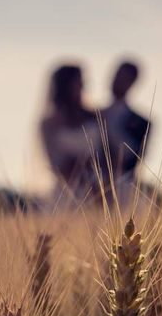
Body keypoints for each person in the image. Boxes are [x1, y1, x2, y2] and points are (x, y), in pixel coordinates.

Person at [39, 64, 101, 207]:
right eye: (78, 81)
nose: (83, 85)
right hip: (65, 194)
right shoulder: (49, 123)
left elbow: (105, 155)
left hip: (99, 190)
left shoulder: (95, 117)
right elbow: (53, 163)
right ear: (65, 86)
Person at [101, 61, 151, 205]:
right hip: (91, 189)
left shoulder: (143, 122)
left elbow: (137, 158)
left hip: (124, 190)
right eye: (116, 75)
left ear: (132, 83)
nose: (116, 81)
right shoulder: (93, 115)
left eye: (123, 78)